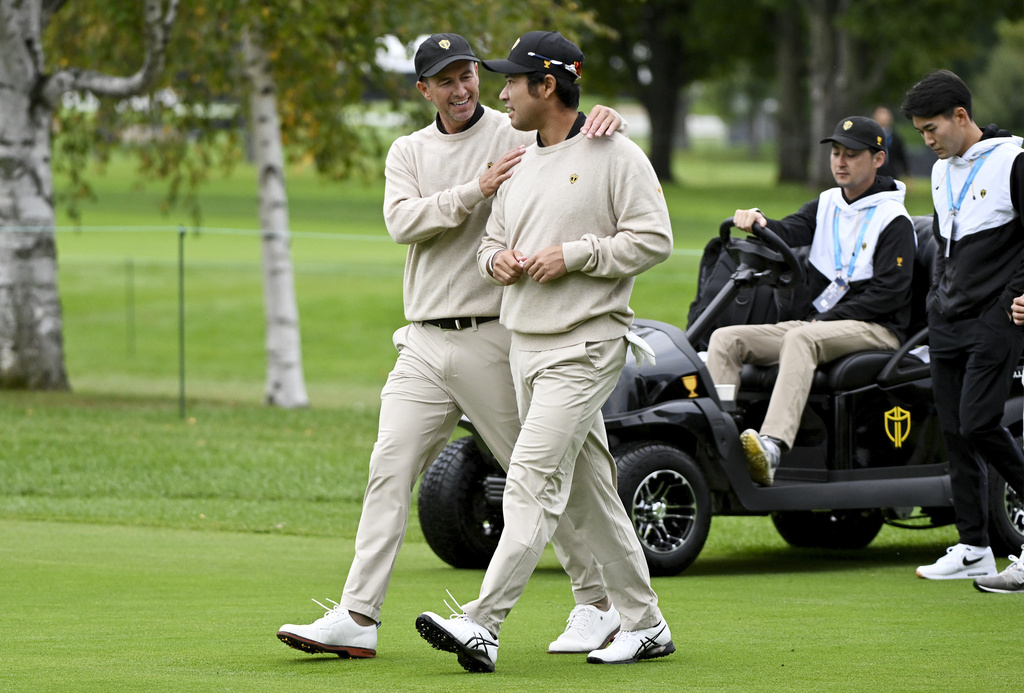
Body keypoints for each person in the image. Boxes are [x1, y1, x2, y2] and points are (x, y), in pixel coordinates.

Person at [276, 33, 628, 659]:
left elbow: (569, 135)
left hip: (497, 339)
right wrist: (475, 190)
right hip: (422, 343)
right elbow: (402, 222)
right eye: (446, 80)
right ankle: (358, 616)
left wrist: (608, 118)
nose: (463, 89)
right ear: (424, 90)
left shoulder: (514, 129)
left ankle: (597, 604)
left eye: (468, 75)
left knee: (543, 477)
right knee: (388, 469)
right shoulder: (408, 151)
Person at [414, 30, 675, 673]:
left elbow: (654, 239)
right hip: (524, 347)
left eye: (511, 81)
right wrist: (495, 259)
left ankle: (482, 624)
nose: (498, 92)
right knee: (592, 492)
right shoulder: (520, 161)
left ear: (547, 86)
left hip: (587, 344)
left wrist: (578, 255)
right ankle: (646, 625)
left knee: (528, 481)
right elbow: (491, 239)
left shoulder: (615, 153)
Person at [705, 116, 915, 487]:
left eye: (851, 155)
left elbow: (889, 294)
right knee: (726, 339)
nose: (840, 162)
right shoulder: (828, 203)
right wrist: (759, 221)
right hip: (822, 324)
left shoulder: (893, 219)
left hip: (878, 328)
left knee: (799, 338)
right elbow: (788, 230)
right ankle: (721, 438)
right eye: (836, 153)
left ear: (878, 159)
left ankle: (771, 445)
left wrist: (828, 317)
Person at [900, 69, 1024, 585]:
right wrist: (935, 303)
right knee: (953, 432)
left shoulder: (1014, 161)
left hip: (997, 315)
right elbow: (947, 244)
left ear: (961, 116)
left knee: (979, 422)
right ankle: (974, 546)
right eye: (921, 132)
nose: (927, 141)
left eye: (933, 129)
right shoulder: (940, 168)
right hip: (947, 316)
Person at [872, 105, 909, 180]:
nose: (885, 117)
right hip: (874, 173)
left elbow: (901, 156)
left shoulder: (894, 137)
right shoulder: (871, 135)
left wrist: (907, 173)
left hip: (891, 173)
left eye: (886, 114)